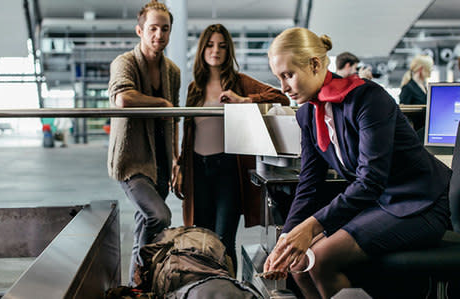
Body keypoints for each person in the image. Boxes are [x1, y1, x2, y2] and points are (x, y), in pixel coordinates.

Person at [264, 27, 451, 299]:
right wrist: (288, 238)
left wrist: (311, 227)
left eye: (288, 75)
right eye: (278, 78)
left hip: (421, 202)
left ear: (315, 64)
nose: (283, 87)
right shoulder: (307, 114)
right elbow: (309, 181)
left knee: (321, 259)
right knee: (299, 263)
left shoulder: (368, 98)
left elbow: (370, 180)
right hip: (380, 203)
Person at [173, 24, 289, 273]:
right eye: (211, 45)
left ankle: (229, 290)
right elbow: (188, 134)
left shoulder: (239, 82)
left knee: (224, 240)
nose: (216, 51)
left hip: (228, 170)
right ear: (202, 49)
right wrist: (181, 166)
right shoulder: (195, 88)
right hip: (198, 169)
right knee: (201, 240)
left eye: (223, 46)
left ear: (229, 51)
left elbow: (282, 98)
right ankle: (205, 288)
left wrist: (245, 101)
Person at [107, 0, 180, 286]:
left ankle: (138, 287)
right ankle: (143, 275)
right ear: (140, 30)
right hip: (132, 160)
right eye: (152, 28)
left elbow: (174, 118)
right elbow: (123, 98)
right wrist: (162, 102)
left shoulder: (172, 71)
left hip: (161, 161)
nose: (159, 35)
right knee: (159, 216)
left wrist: (175, 160)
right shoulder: (124, 62)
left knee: (144, 224)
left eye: (165, 29)